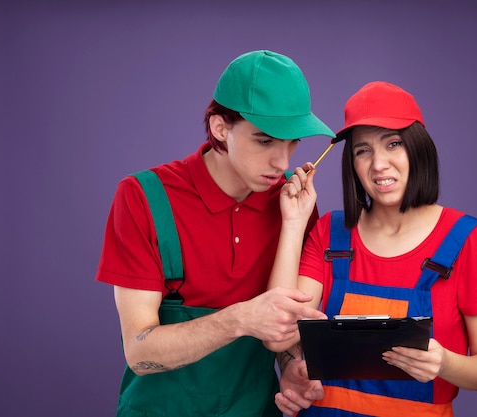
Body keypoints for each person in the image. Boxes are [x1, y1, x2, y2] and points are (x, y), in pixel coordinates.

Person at [95, 49, 335, 417]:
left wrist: (291, 366)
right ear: (221, 128)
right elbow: (140, 354)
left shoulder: (293, 201)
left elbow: (283, 325)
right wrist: (240, 318)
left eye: (293, 143)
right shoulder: (143, 196)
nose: (283, 162)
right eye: (265, 140)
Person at [266, 81, 477, 417]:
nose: (378, 164)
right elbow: (278, 334)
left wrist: (444, 363)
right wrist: (293, 222)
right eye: (363, 150)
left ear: (418, 148)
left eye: (393, 144)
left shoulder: (465, 239)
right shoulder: (329, 233)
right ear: (352, 163)